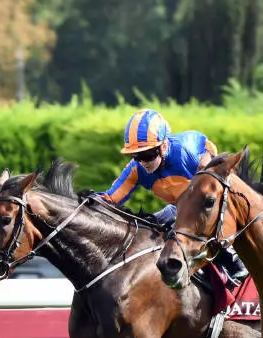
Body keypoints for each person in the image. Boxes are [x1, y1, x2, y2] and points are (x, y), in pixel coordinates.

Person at [99, 108, 248, 282]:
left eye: (147, 154)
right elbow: (108, 199)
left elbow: (213, 189)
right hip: (179, 205)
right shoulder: (136, 169)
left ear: (163, 146)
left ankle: (233, 260)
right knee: (149, 228)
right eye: (136, 156)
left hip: (203, 203)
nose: (142, 162)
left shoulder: (186, 154)